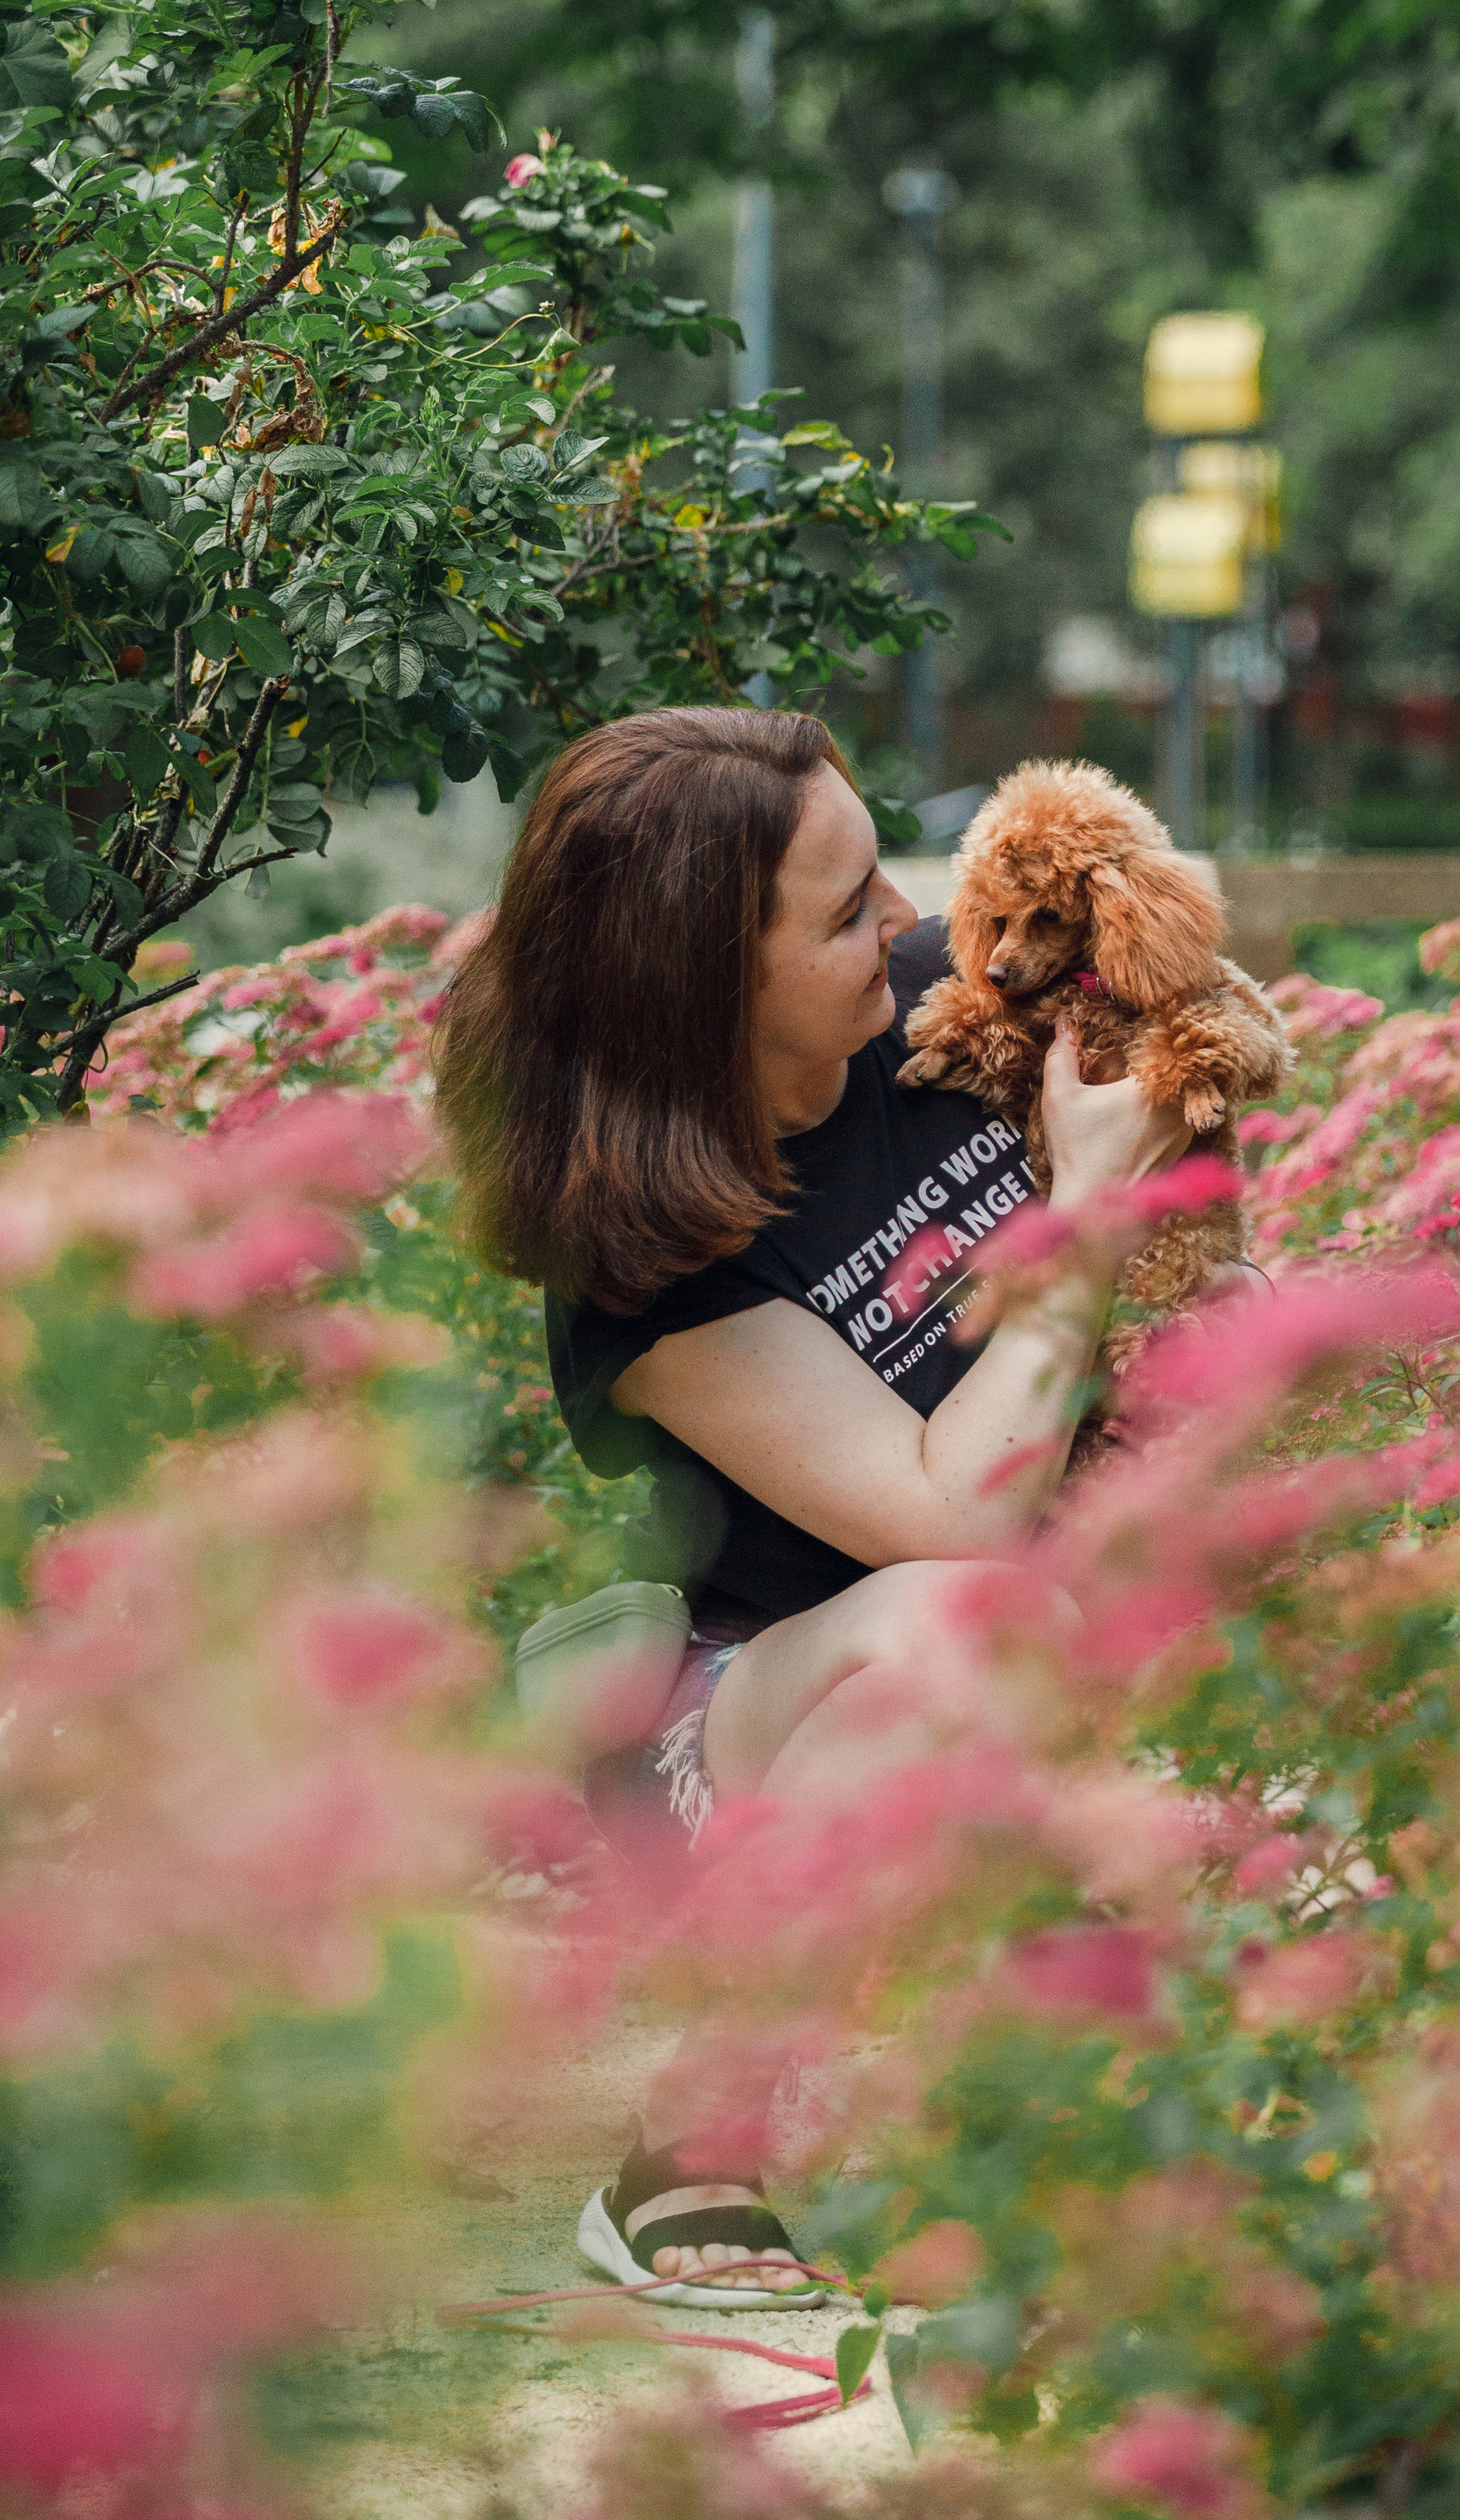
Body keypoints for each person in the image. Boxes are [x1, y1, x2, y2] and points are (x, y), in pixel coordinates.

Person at [435, 707, 1187, 2307]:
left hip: (1078, 1639)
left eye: (881, 876)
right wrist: (1089, 1216)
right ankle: (699, 2139)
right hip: (794, 1715)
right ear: (705, 980)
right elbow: (959, 1513)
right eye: (845, 913)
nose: (911, 929)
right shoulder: (641, 1250)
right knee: (958, 1624)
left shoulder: (936, 1012)